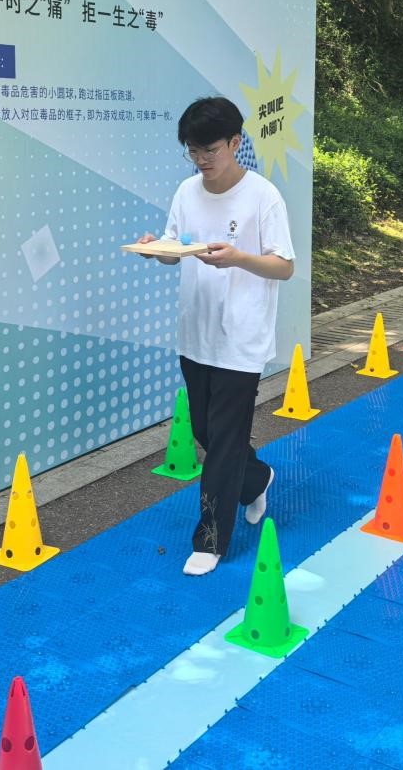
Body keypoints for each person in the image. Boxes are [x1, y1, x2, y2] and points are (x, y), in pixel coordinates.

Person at [137, 96, 295, 575]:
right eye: (193, 150)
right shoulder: (187, 192)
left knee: (224, 441)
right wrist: (155, 250)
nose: (202, 159)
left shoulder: (262, 196)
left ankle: (210, 539)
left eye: (210, 149)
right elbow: (174, 250)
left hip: (241, 337)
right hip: (196, 332)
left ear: (235, 142)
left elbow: (284, 266)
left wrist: (239, 258)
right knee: (207, 433)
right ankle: (256, 478)